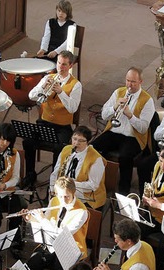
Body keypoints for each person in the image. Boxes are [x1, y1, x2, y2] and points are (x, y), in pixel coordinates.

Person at [25, 177, 89, 270]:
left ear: (74, 193)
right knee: (30, 266)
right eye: (60, 196)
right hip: (51, 245)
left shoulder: (81, 212)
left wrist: (42, 219)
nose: (63, 200)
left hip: (70, 249)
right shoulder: (55, 201)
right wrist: (31, 219)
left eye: (67, 197)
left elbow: (61, 233)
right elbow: (47, 223)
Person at [92, 67, 156, 194]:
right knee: (92, 148)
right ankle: (97, 183)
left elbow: (143, 128)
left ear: (140, 82)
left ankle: (123, 192)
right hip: (114, 131)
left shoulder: (147, 100)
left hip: (133, 137)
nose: (129, 85)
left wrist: (130, 115)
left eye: (133, 82)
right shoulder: (118, 92)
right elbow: (104, 115)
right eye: (127, 81)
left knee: (125, 157)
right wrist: (115, 107)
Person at [23, 50, 82, 186]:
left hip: (63, 126)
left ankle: (54, 179)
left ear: (70, 66)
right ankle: (30, 174)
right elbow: (31, 96)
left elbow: (73, 108)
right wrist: (42, 88)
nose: (60, 67)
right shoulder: (47, 78)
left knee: (59, 147)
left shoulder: (76, 85)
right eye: (59, 63)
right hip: (44, 122)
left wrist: (61, 92)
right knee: (28, 141)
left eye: (64, 65)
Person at [49, 126, 106, 210]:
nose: (76, 143)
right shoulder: (66, 150)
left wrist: (70, 185)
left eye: (80, 141)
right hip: (64, 191)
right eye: (74, 139)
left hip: (86, 195)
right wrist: (53, 188)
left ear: (88, 142)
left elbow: (93, 185)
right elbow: (56, 172)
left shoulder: (96, 159)